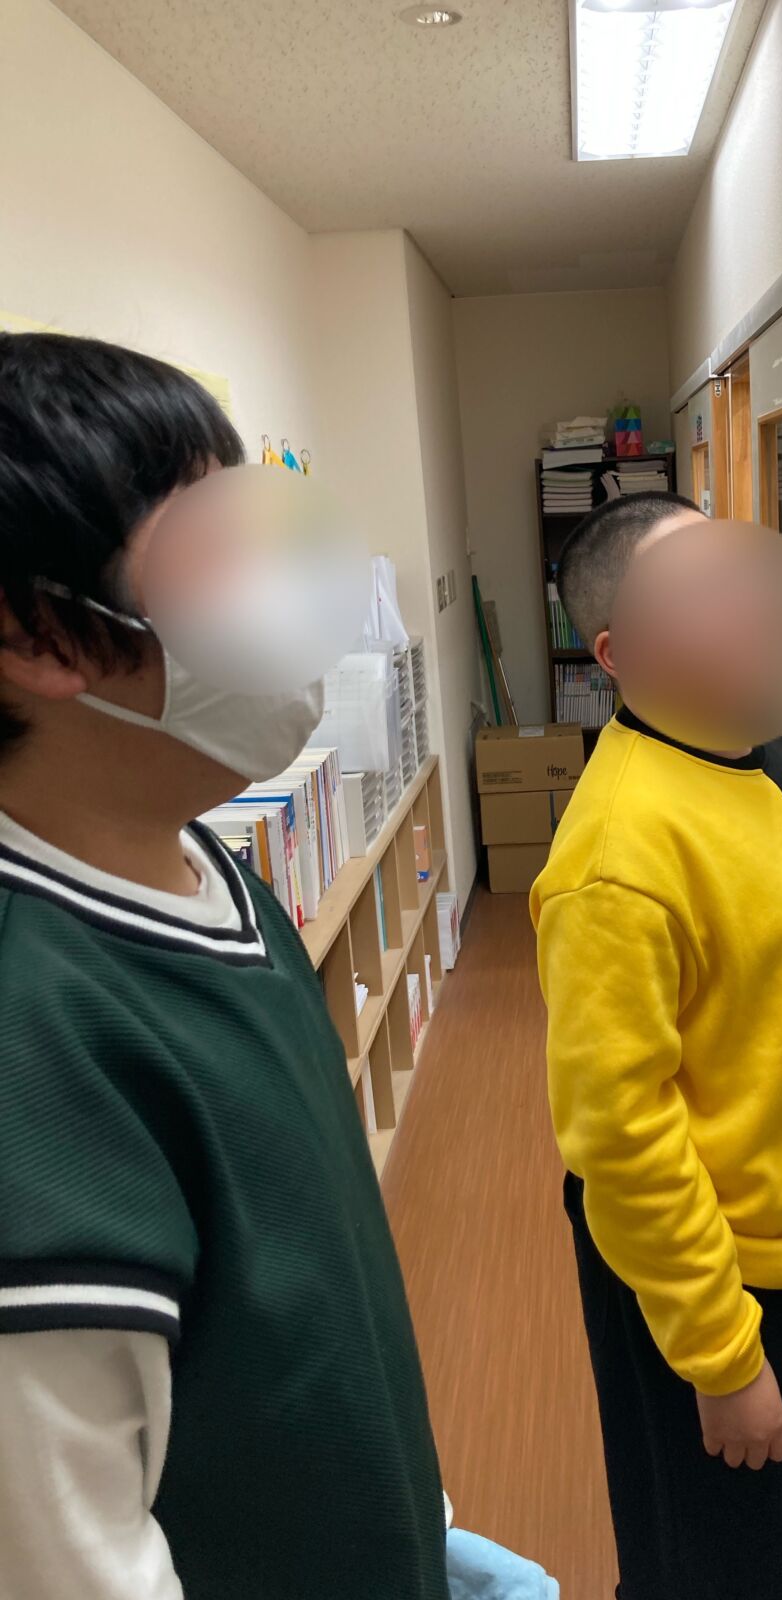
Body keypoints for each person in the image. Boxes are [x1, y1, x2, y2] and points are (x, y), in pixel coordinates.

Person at [0, 332, 449, 1600]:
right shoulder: (37, 1047)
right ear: (38, 631)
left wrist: (416, 1522)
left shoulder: (203, 861)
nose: (283, 586)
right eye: (214, 544)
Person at [530, 493, 782, 1600]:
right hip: (712, 1281)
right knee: (720, 1571)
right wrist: (724, 1359)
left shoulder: (742, 751)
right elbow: (621, 1142)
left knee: (753, 1554)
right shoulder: (616, 857)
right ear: (618, 654)